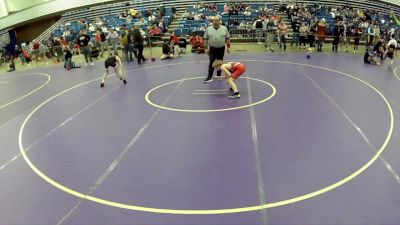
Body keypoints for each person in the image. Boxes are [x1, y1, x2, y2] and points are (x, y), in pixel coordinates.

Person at [203, 16, 231, 83]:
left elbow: (228, 38)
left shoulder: (224, 28)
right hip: (212, 49)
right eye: (214, 20)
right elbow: (205, 39)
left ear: (219, 21)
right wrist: (205, 48)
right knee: (211, 62)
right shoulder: (208, 29)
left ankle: (219, 76)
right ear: (212, 21)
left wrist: (229, 47)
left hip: (221, 48)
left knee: (220, 62)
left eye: (217, 20)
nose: (215, 22)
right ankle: (209, 76)